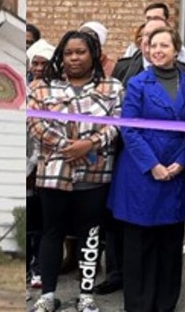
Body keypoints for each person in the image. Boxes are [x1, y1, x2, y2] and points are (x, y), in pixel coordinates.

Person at [28, 31, 124, 312]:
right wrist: (66, 145)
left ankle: (86, 295)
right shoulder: (42, 87)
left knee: (91, 234)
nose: (74, 58)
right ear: (61, 55)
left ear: (93, 54)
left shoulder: (113, 86)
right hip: (55, 171)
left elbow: (118, 122)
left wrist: (89, 144)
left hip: (95, 173)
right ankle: (47, 295)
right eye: (68, 53)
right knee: (52, 232)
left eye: (80, 52)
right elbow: (34, 122)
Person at [107, 26, 185, 312]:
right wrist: (153, 165)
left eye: (164, 46)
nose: (157, 50)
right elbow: (129, 129)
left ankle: (165, 303)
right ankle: (139, 304)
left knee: (170, 245)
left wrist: (182, 161)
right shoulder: (137, 83)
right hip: (142, 174)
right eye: (152, 45)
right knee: (140, 247)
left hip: (176, 172)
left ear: (176, 50)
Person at [25, 39, 55, 292]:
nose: (39, 68)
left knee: (41, 223)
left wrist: (34, 164)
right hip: (23, 162)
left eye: (44, 63)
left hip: (43, 165)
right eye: (35, 62)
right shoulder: (22, 87)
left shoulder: (56, 90)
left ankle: (38, 268)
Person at [121, 2, 185, 64]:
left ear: (166, 21)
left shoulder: (178, 50)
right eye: (148, 18)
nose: (152, 21)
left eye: (156, 18)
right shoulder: (134, 48)